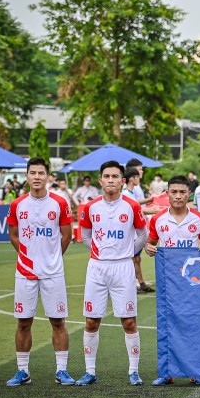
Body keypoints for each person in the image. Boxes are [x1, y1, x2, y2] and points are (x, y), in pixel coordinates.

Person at [76, 160, 149, 386]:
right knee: (91, 321)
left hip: (123, 267)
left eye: (115, 177)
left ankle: (133, 371)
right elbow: (86, 236)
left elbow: (143, 235)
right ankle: (90, 371)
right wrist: (101, 252)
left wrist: (128, 252)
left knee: (128, 321)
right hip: (97, 267)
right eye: (106, 176)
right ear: (100, 181)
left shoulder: (132, 206)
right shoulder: (91, 207)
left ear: (123, 181)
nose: (110, 180)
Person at [5, 158, 76, 387]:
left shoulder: (59, 203)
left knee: (58, 321)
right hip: (25, 272)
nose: (37, 177)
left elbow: (66, 236)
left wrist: (53, 257)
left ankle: (62, 371)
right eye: (33, 173)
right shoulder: (17, 204)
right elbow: (13, 234)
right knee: (23, 322)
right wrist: (26, 255)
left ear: (48, 177)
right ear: (27, 176)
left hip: (53, 272)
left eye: (41, 173)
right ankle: (23, 371)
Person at [146, 175, 200, 386]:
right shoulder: (158, 219)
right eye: (174, 192)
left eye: (182, 192)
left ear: (189, 193)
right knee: (167, 325)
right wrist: (148, 248)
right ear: (167, 193)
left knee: (194, 324)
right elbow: (150, 243)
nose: (178, 196)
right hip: (168, 281)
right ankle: (167, 371)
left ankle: (195, 370)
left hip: (193, 282)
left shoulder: (199, 218)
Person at [123, 168, 157, 294]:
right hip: (130, 231)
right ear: (132, 178)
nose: (139, 179)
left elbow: (136, 204)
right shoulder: (126, 193)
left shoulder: (130, 193)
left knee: (136, 259)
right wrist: (155, 210)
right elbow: (135, 208)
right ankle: (132, 284)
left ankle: (141, 283)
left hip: (134, 231)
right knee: (132, 259)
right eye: (137, 177)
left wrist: (150, 201)